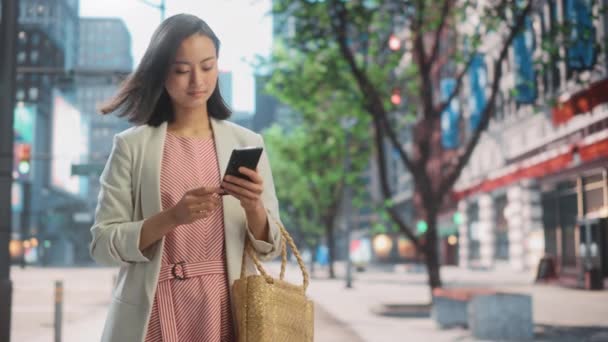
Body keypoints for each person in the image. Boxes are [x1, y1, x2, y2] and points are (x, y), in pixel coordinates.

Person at [89, 14, 282, 342]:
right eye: (181, 70)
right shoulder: (132, 146)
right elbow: (101, 245)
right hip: (153, 309)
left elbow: (270, 248)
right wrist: (171, 218)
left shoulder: (247, 144)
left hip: (227, 309)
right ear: (161, 72)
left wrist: (253, 208)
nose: (197, 81)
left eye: (207, 67)